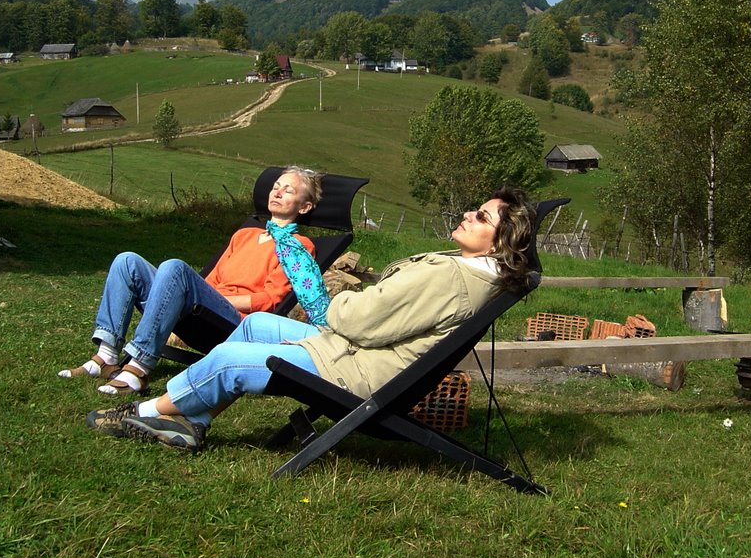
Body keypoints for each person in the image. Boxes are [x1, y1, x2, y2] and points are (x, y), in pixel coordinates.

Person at [85, 187, 536, 452]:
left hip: (359, 367)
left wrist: (337, 304)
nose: (466, 215)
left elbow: (360, 320)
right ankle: (194, 422)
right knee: (255, 328)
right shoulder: (472, 274)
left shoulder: (452, 279)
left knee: (231, 361)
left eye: (481, 216)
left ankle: (140, 413)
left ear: (501, 240)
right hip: (359, 350)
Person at [58, 166, 327, 395]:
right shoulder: (243, 236)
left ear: (304, 207)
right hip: (204, 308)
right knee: (127, 261)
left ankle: (139, 367)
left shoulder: (297, 248)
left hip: (233, 323)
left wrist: (218, 299)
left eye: (288, 191)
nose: (277, 192)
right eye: (276, 187)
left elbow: (269, 302)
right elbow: (210, 280)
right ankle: (107, 356)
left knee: (175, 267)